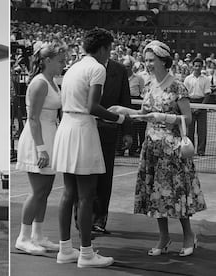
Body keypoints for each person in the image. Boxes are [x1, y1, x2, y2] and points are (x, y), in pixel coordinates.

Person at [109, 40, 206, 257]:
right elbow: (143, 114)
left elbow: (187, 119)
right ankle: (163, 237)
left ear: (164, 61)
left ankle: (189, 235)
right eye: (146, 60)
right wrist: (122, 110)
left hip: (172, 149)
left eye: (152, 60)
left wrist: (163, 116)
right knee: (156, 194)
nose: (148, 64)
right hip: (151, 147)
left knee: (178, 192)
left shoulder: (178, 86)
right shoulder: (149, 85)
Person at [52, 28, 126, 268]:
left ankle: (65, 249)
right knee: (86, 195)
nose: (110, 54)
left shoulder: (72, 67)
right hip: (82, 128)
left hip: (66, 127)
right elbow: (94, 106)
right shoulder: (97, 68)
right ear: (103, 49)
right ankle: (86, 253)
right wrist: (120, 119)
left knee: (68, 193)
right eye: (110, 50)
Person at [15, 43, 65, 255]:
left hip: (50, 135)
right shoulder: (39, 83)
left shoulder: (53, 82)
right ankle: (23, 238)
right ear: (47, 61)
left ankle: (38, 235)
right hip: (38, 139)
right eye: (61, 60)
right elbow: (33, 118)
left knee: (45, 191)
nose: (64, 64)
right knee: (37, 192)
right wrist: (41, 149)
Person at [183, 57, 212, 156]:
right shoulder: (187, 79)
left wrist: (200, 107)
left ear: (202, 67)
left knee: (202, 130)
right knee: (189, 130)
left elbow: (207, 94)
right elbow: (184, 94)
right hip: (190, 103)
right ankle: (190, 150)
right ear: (193, 66)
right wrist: (190, 107)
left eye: (199, 66)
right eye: (196, 66)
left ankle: (201, 151)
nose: (197, 68)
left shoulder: (206, 79)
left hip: (202, 104)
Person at [124, 57, 146, 157]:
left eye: (128, 66)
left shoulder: (139, 78)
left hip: (136, 103)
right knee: (125, 126)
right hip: (125, 102)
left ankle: (135, 149)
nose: (126, 68)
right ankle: (122, 148)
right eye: (125, 67)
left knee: (137, 128)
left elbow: (143, 92)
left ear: (132, 67)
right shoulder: (121, 78)